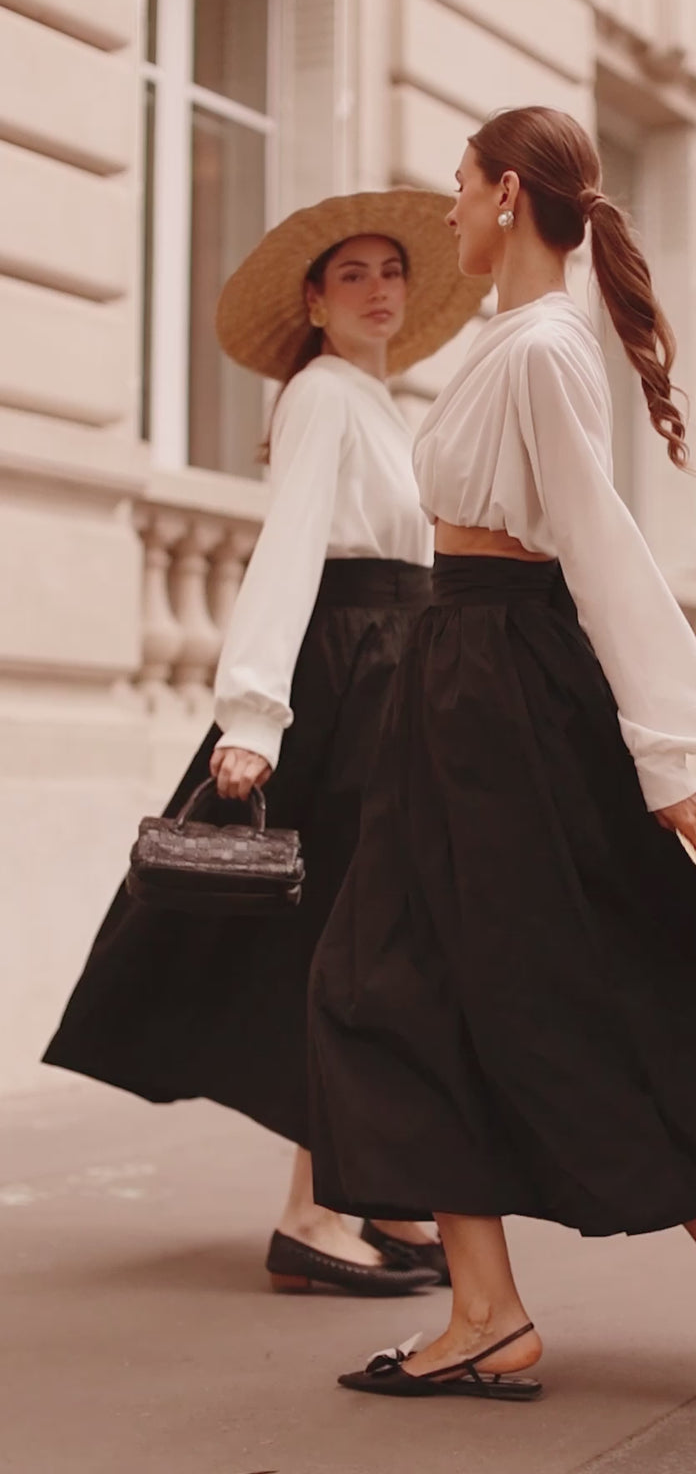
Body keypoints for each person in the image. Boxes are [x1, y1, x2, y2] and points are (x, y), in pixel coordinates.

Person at [308, 110, 696, 1405]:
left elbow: (602, 549)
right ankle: (490, 1312)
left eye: (458, 190)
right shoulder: (511, 339)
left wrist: (669, 757)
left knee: (533, 984)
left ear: (509, 195)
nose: (446, 214)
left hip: (500, 688)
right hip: (455, 683)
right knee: (406, 985)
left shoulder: (547, 349)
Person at [44, 189, 488, 1297]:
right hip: (343, 681)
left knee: (377, 935)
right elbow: (288, 548)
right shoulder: (325, 396)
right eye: (354, 275)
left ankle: (371, 1191)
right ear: (313, 301)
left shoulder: (377, 404)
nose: (381, 287)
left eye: (393, 270)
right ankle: (315, 1211)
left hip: (388, 671)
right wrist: (252, 715)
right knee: (347, 941)